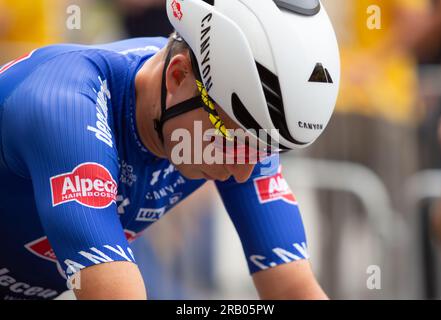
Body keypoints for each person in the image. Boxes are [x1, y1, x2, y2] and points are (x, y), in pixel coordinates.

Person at [0, 0, 339, 300]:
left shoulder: (226, 121)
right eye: (234, 143)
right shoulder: (67, 108)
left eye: (265, 151)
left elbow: (293, 289)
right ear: (177, 77)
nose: (242, 171)